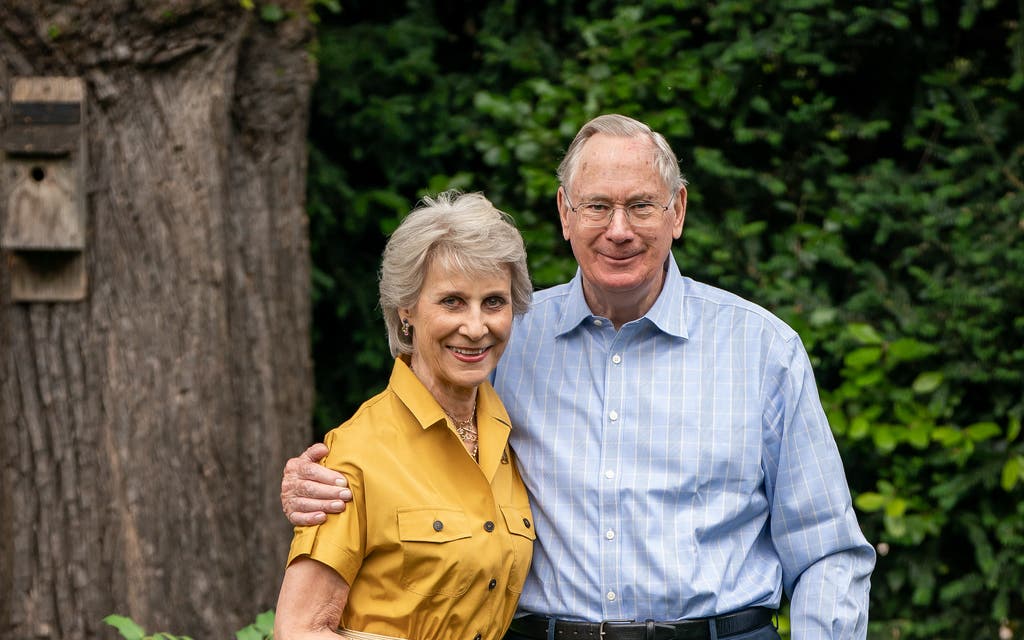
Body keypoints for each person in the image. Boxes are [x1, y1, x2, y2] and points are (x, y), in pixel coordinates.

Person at [281, 115, 876, 639]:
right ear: (566, 214)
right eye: (597, 205)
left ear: (678, 211)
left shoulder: (763, 351)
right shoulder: (505, 343)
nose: (619, 229)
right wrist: (321, 477)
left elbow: (828, 553)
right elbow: (406, 443)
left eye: (641, 205)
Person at [274, 191, 536, 640]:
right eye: (452, 302)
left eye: (493, 302)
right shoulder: (356, 451)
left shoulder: (513, 436)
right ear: (406, 310)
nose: (476, 327)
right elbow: (299, 629)